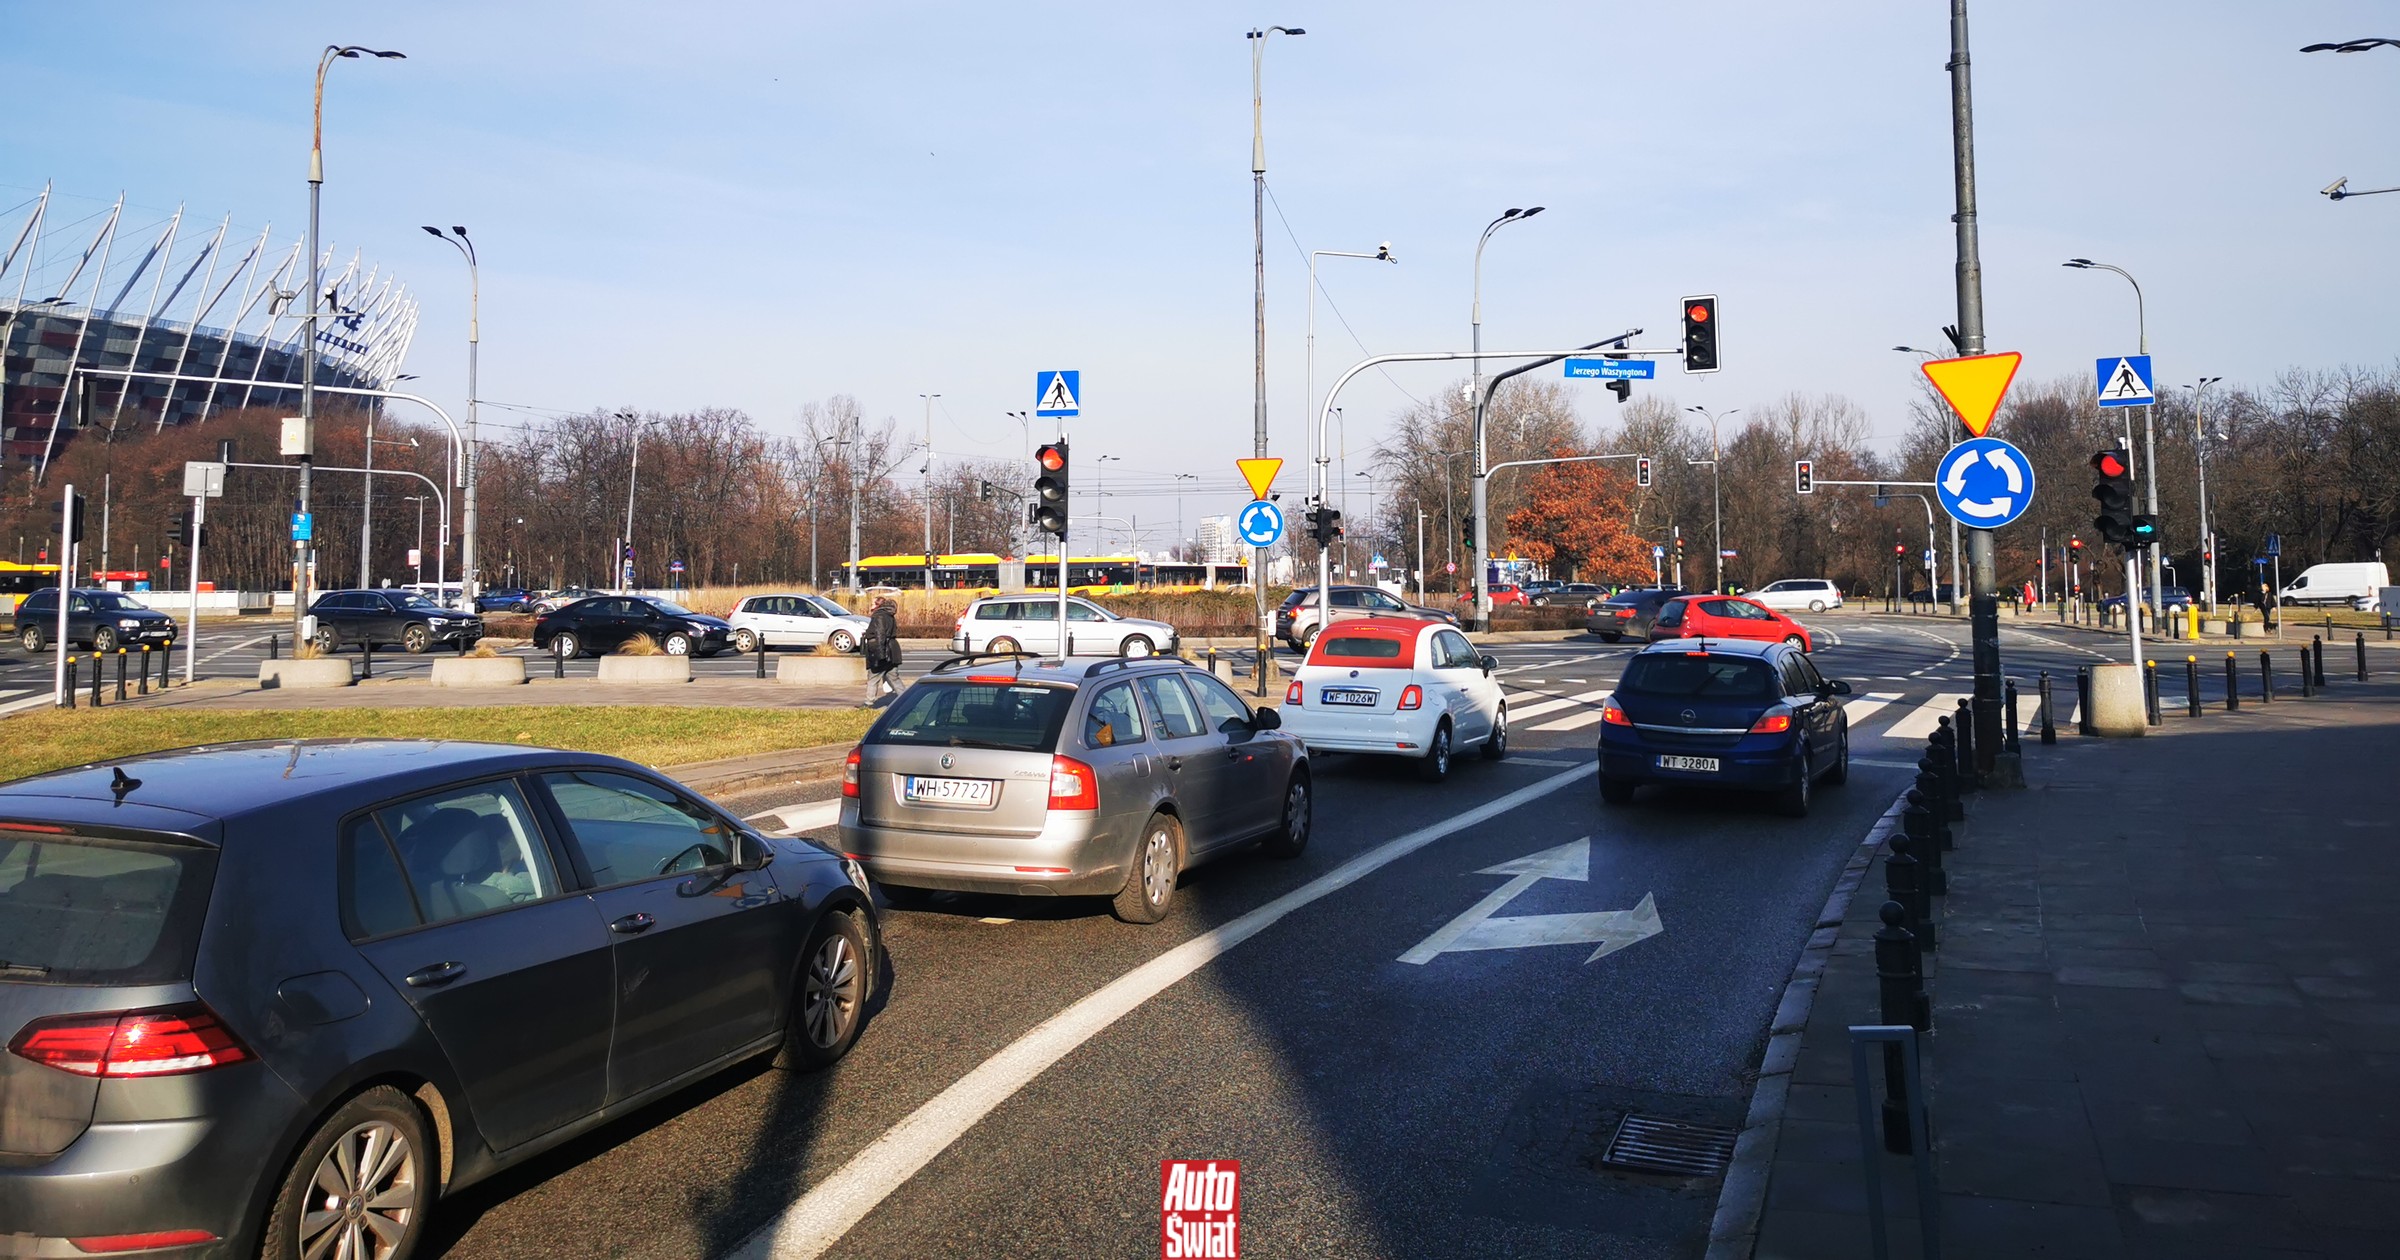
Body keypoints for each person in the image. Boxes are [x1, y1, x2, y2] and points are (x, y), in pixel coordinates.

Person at [862, 596, 902, 707]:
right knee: (894, 678)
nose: (871, 607)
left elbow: (880, 635)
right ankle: (906, 700)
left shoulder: (879, 616)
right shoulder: (889, 615)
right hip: (892, 650)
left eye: (873, 604)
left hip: (883, 650)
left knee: (873, 676)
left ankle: (868, 702)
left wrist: (880, 655)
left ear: (878, 605)